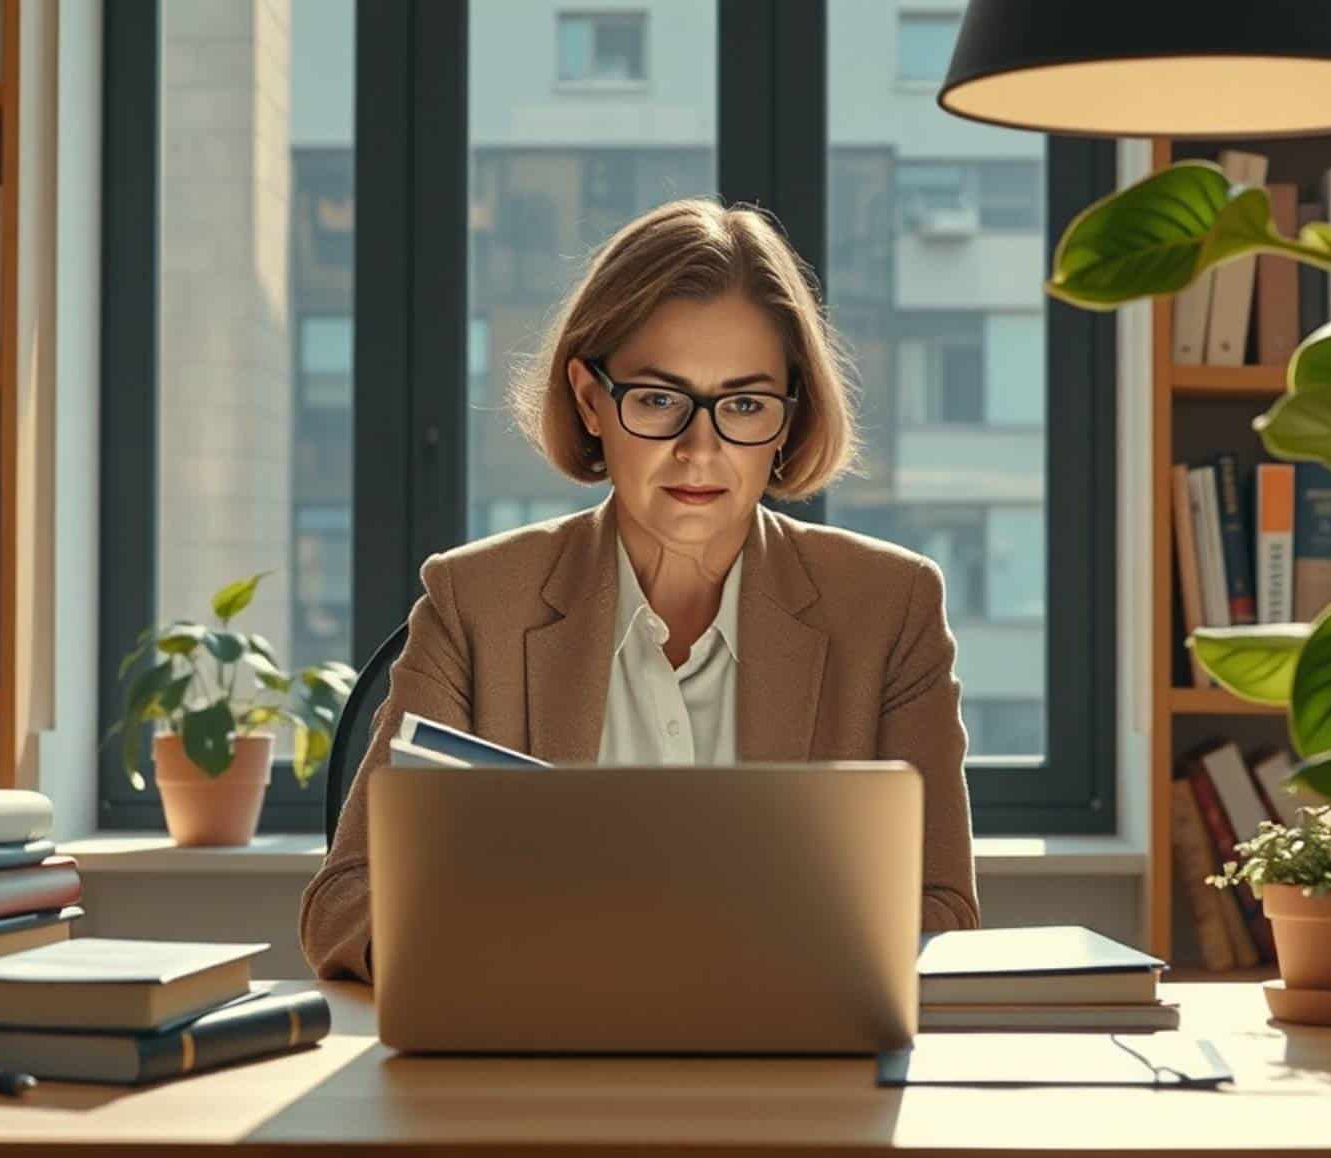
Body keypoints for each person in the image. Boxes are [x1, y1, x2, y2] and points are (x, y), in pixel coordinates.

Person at [301, 197, 980, 982]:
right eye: (659, 400)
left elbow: (942, 913)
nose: (701, 449)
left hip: (795, 1077)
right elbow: (344, 908)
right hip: (533, 1073)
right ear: (592, 400)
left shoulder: (889, 607)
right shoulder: (477, 602)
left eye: (744, 405)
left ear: (789, 419)